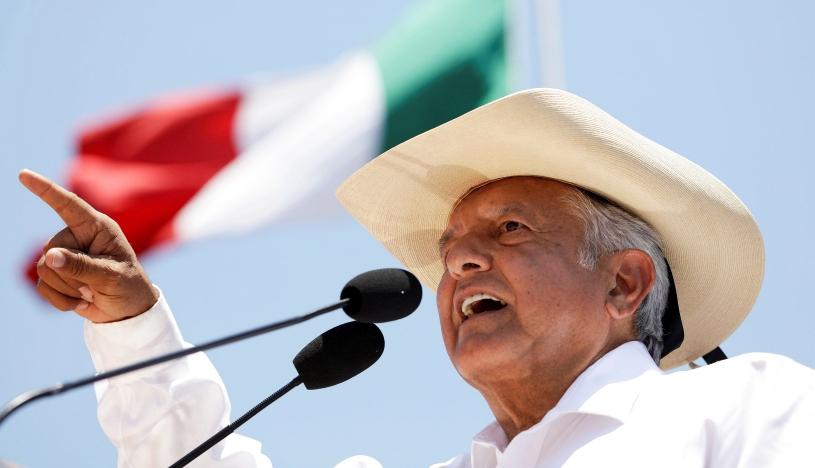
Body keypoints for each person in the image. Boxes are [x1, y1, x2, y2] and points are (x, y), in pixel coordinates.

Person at [21, 89, 815, 467]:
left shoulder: (750, 407)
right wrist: (130, 320)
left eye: (508, 228)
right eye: (449, 247)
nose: (459, 261)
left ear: (624, 284)